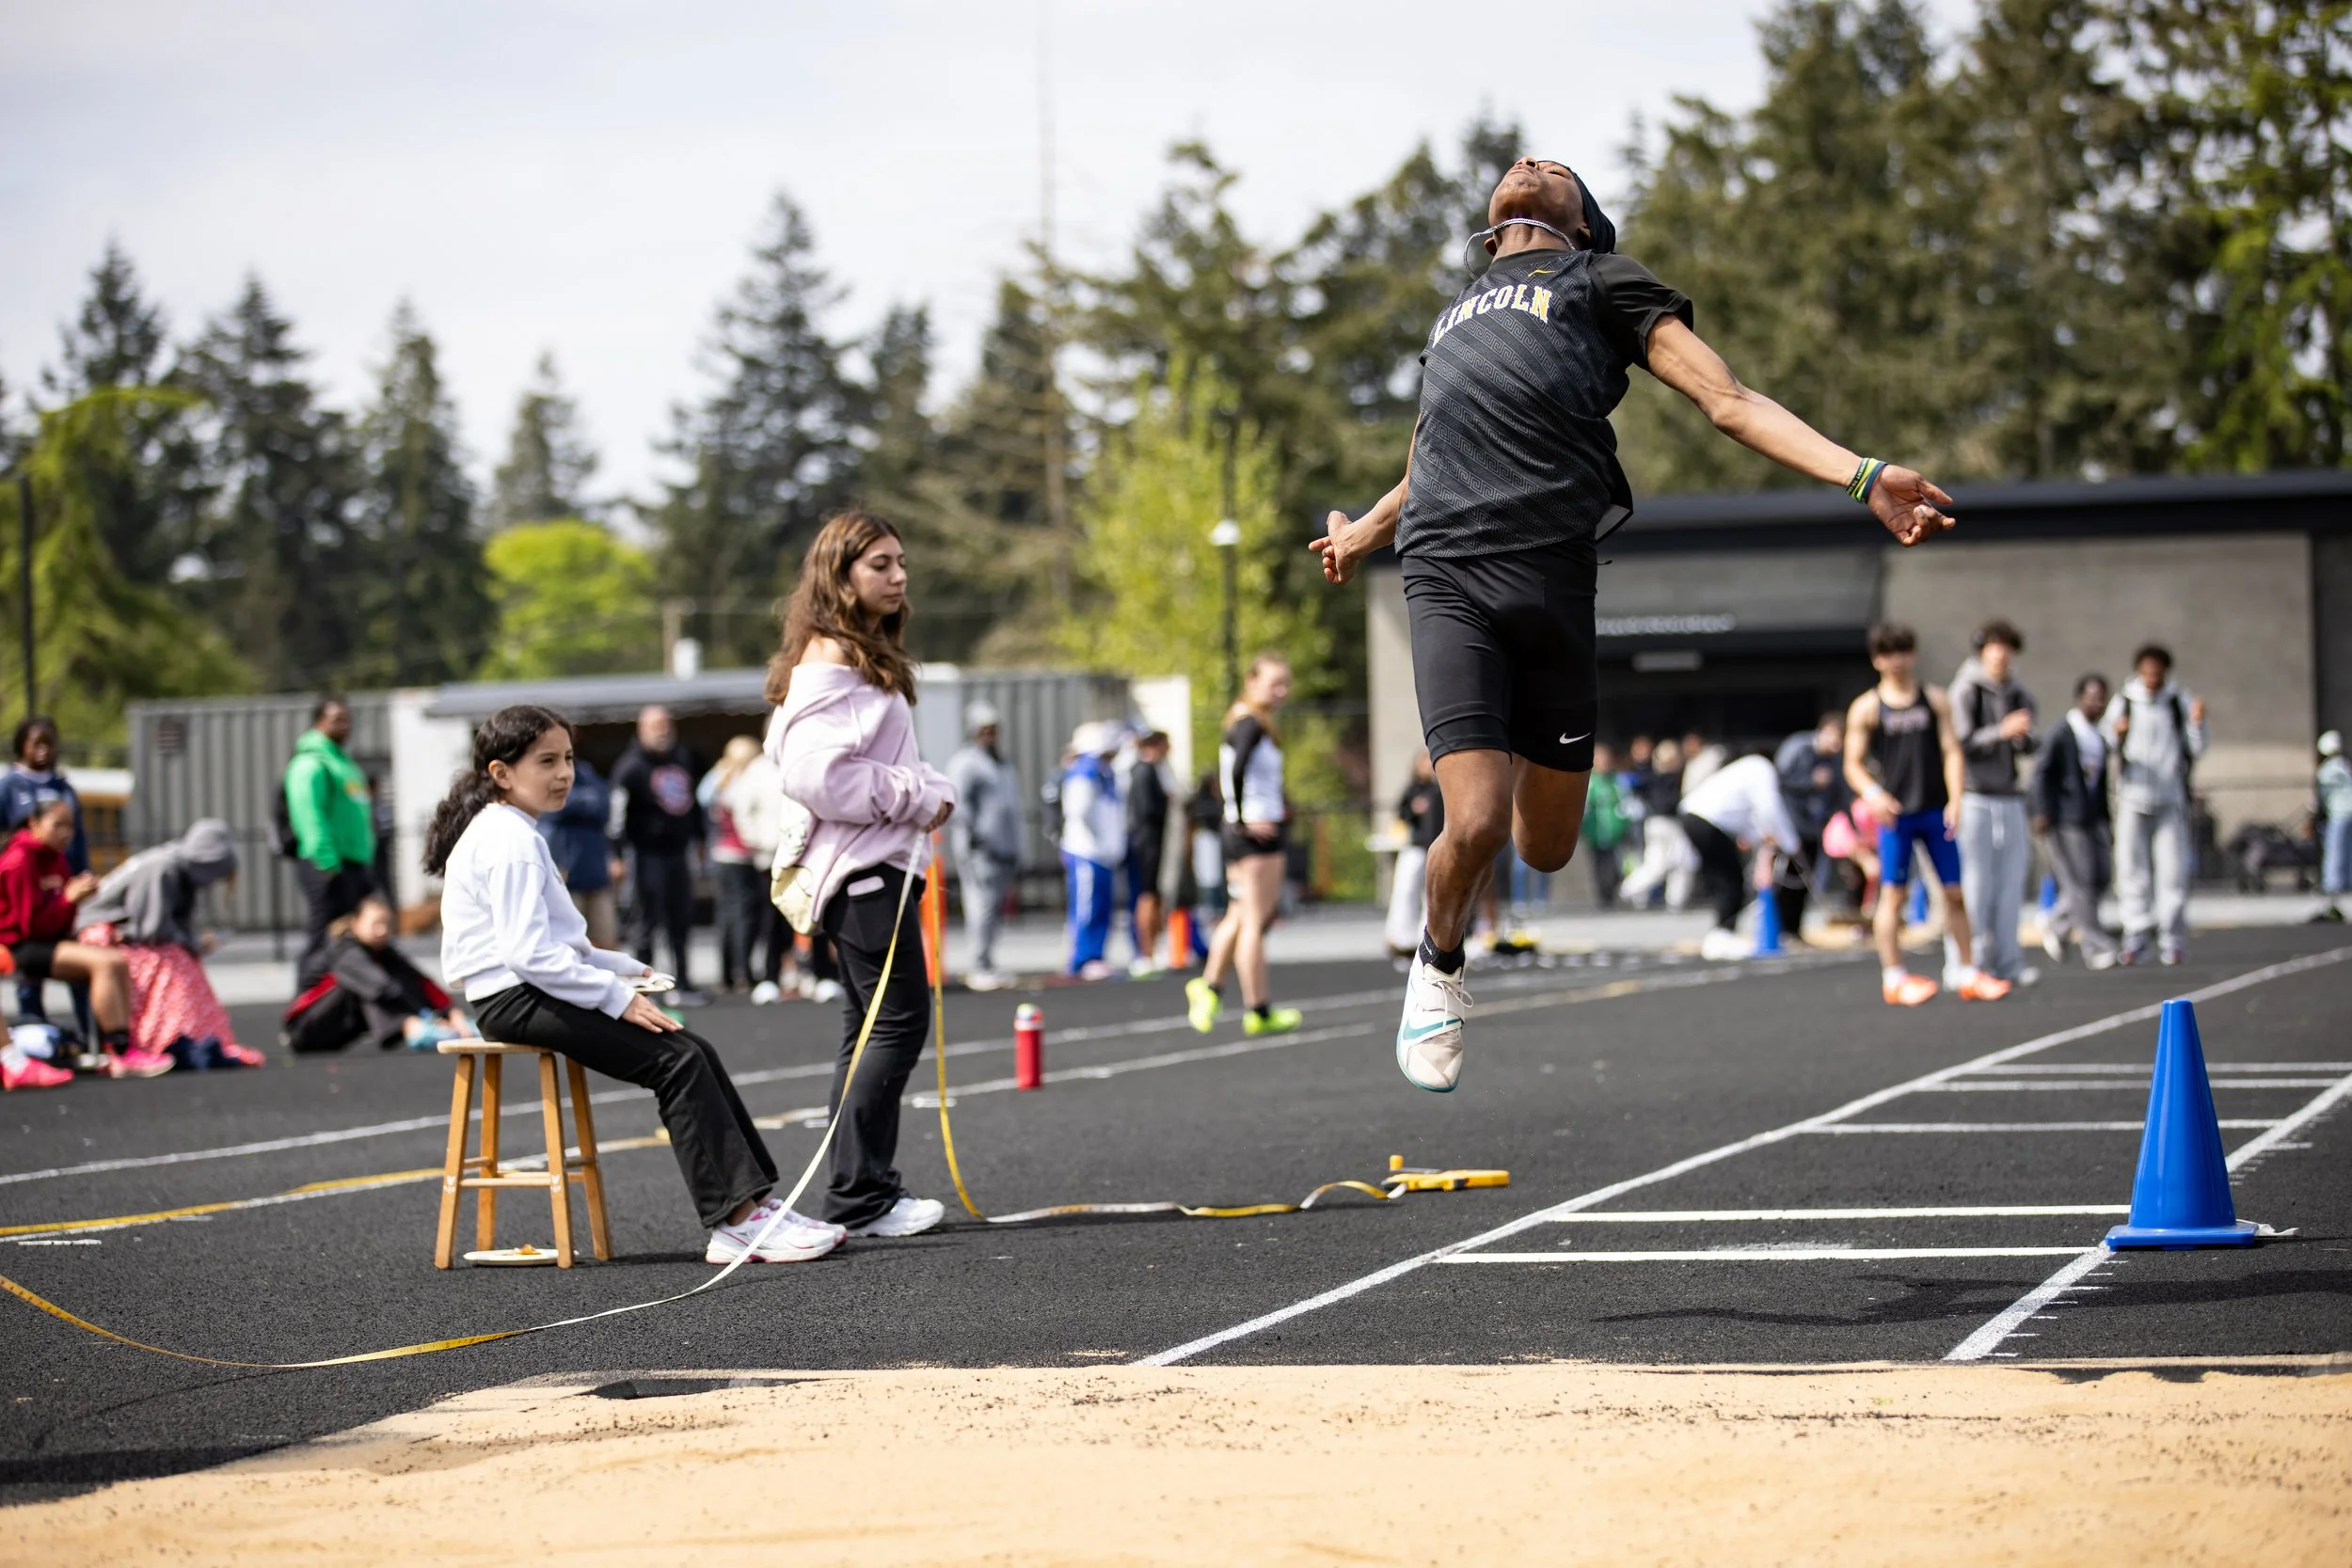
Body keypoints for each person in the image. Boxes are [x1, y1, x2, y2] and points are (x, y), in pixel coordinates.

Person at [1315, 155, 1963, 1089]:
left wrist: (1861, 474)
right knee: (1478, 818)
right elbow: (1427, 459)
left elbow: (1728, 401)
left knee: (1546, 844)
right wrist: (1362, 534)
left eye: (1557, 169)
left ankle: (1509, 759)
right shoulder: (1456, 311)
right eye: (1525, 162)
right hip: (1447, 571)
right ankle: (1439, 960)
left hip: (1553, 579)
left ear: (1583, 222)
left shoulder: (1600, 280)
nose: (1532, 163)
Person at [433, 704, 838, 1264]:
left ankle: (756, 1206)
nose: (564, 774)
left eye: (568, 759)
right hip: (514, 998)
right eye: (546, 762)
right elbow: (528, 955)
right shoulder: (509, 840)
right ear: (501, 773)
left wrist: (623, 968)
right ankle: (734, 1223)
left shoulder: (513, 831)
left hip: (522, 989)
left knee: (694, 1049)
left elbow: (553, 947)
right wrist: (615, 997)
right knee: (677, 1063)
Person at [768, 511, 956, 1239]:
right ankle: (861, 1196)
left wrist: (925, 788)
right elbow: (814, 776)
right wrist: (918, 796)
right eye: (880, 563)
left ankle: (859, 1190)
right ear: (839, 573)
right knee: (899, 1021)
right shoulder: (830, 660)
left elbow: (870, 764)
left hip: (874, 869)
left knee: (870, 1026)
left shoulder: (854, 655)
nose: (899, 576)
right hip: (863, 874)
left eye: (902, 562)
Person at [1844, 622, 2009, 1006]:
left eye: (1903, 651)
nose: (1897, 661)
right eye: (1888, 653)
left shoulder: (1934, 699)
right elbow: (1852, 763)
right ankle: (1894, 977)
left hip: (1935, 810)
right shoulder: (1867, 707)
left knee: (1955, 893)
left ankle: (1968, 972)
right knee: (1893, 895)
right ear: (1877, 660)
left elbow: (1952, 751)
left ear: (1913, 654)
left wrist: (1956, 798)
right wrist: (1873, 794)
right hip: (1896, 815)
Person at [0, 800, 165, 1075]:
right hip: (19, 946)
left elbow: (62, 922)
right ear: (34, 824)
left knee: (117, 958)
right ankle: (119, 1050)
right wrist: (68, 899)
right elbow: (29, 927)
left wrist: (77, 901)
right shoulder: (19, 861)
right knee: (104, 963)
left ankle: (124, 1043)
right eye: (58, 825)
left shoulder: (56, 858)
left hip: (48, 940)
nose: (66, 833)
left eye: (71, 827)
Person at [1186, 655, 1304, 1037]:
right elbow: (1234, 770)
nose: (1281, 691)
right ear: (1251, 681)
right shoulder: (1249, 723)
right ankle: (1258, 1009)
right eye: (1274, 683)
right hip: (1254, 835)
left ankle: (1209, 987)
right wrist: (1240, 819)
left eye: (1285, 683)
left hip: (1251, 830)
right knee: (1255, 923)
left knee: (1239, 916)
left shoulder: (1252, 721)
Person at [2102, 644, 2206, 965]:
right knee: (2131, 869)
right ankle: (2135, 933)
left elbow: (2196, 747)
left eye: (2156, 671)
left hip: (2170, 798)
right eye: (2146, 671)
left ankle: (2172, 937)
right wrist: (2116, 732)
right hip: (2132, 797)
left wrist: (2197, 724)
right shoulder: (2125, 700)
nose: (2151, 677)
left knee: (2172, 871)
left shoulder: (2177, 702)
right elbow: (2106, 740)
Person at [1949, 620, 2039, 985]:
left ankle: (2008, 962)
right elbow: (1961, 742)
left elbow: (2030, 744)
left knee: (2011, 885)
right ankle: (1968, 964)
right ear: (1981, 650)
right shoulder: (1966, 689)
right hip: (1974, 797)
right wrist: (2001, 731)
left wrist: (2022, 736)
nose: (2001, 654)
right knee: (1975, 885)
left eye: (2007, 647)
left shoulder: (2019, 693)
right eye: (1994, 646)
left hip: (2010, 797)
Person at [283, 894, 470, 1053]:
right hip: (305, 1030)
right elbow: (383, 988)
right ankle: (416, 1028)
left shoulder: (383, 951)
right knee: (369, 985)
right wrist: (426, 1016)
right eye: (376, 924)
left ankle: (426, 1027)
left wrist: (452, 1012)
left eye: (387, 924)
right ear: (355, 924)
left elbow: (419, 979)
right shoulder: (344, 951)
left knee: (399, 975)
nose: (382, 930)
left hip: (336, 1031)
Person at [610, 704, 706, 1004]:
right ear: (642, 730)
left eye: (666, 725)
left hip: (678, 852)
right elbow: (616, 813)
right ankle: (646, 988)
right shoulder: (630, 766)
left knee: (681, 918)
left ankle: (683, 984)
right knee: (646, 922)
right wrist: (617, 854)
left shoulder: (682, 759)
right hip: (645, 853)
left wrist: (700, 838)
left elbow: (693, 804)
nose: (663, 731)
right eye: (656, 726)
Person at [2031, 674, 2119, 969]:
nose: (2098, 703)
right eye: (2092, 697)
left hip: (2092, 818)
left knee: (2101, 877)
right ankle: (2095, 946)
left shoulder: (2098, 736)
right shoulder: (2063, 732)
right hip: (2066, 819)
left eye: (2102, 698)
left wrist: (2106, 820)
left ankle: (2057, 923)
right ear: (2080, 698)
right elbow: (2041, 772)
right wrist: (2041, 811)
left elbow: (2099, 782)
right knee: (2081, 882)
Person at [1677, 753, 1802, 960]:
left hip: (1694, 816)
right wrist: (1791, 843)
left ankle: (1722, 933)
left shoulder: (1744, 770)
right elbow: (1769, 808)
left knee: (1725, 878)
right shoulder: (1761, 769)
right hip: (1707, 821)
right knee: (1730, 879)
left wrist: (1757, 836)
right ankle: (1722, 935)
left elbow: (1748, 815)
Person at [284, 696, 378, 970]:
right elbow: (309, 817)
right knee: (324, 939)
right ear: (319, 722)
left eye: (347, 719)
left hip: (355, 863)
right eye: (337, 719)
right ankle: (306, 994)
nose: (345, 725)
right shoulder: (310, 763)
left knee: (354, 939)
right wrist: (327, 863)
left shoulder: (343, 762)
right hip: (329, 865)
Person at [946, 701, 1024, 989]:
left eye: (993, 730)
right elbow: (959, 804)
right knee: (981, 906)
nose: (990, 735)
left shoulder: (1001, 763)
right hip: (981, 850)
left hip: (1003, 849)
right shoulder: (966, 763)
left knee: (994, 908)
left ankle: (988, 962)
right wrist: (975, 838)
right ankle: (979, 965)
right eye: (984, 730)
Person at [1056, 721, 1126, 979]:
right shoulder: (1084, 772)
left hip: (1102, 853)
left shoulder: (1104, 773)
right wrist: (1101, 840)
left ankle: (1095, 955)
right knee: (1087, 906)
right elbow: (1080, 811)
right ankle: (1083, 957)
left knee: (1101, 905)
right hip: (1088, 851)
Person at [702, 736, 770, 996]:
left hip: (721, 854)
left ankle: (727, 972)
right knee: (744, 916)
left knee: (726, 915)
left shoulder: (719, 779)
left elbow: (703, 798)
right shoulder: (743, 781)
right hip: (740, 855)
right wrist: (756, 842)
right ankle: (743, 970)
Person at [537, 753, 619, 947]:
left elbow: (604, 804)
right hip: (564, 877)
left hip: (596, 875)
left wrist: (574, 804)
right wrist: (585, 803)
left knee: (607, 942)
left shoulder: (587, 772)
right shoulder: (543, 773)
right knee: (568, 943)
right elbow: (552, 809)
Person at [1775, 712, 1851, 922]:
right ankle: (1781, 927)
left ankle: (1794, 928)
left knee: (1805, 879)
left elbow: (1839, 794)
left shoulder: (1834, 760)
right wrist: (1810, 782)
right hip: (1791, 826)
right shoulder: (1798, 748)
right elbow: (1779, 783)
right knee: (1787, 878)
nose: (1836, 745)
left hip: (1815, 828)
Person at [1385, 751, 1444, 955]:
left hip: (1434, 846)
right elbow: (1401, 814)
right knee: (1405, 889)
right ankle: (1400, 936)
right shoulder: (1413, 790)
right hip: (1415, 845)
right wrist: (1414, 809)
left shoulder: (1438, 790)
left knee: (1430, 894)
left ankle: (1425, 936)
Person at [1126, 730, 1174, 975]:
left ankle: (1153, 949)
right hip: (1147, 842)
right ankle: (1145, 951)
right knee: (1147, 895)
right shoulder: (1143, 771)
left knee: (1153, 895)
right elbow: (1146, 810)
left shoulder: (1151, 770)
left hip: (1151, 841)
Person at [1581, 742, 1629, 908]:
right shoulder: (1589, 782)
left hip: (1615, 833)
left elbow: (1626, 804)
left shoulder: (1618, 781)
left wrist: (1624, 823)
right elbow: (1584, 808)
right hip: (1596, 833)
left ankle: (1613, 892)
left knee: (1616, 865)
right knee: (1599, 865)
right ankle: (1604, 898)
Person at [2314, 730, 2351, 922]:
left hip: (2338, 814)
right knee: (2348, 852)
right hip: (2349, 813)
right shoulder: (2345, 765)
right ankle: (2346, 882)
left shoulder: (2326, 770)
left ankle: (2333, 886)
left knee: (2334, 851)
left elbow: (2321, 797)